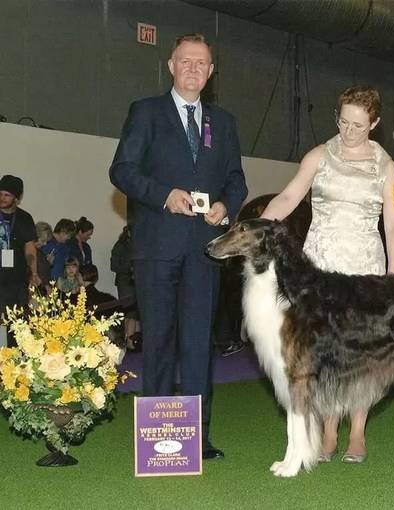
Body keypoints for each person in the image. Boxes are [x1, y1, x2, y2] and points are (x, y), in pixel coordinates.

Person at [109, 33, 247, 461]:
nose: (192, 68)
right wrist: (162, 194)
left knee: (197, 344)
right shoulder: (145, 112)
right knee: (160, 342)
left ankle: (198, 437)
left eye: (201, 63)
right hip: (156, 247)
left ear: (211, 72)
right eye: (185, 61)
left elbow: (236, 179)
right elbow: (122, 171)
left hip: (204, 250)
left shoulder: (223, 123)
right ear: (170, 66)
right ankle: (158, 439)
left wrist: (226, 205)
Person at [261, 85, 394, 464]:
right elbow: (289, 198)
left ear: (374, 122)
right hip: (320, 266)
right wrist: (256, 228)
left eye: (359, 125)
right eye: (343, 122)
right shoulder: (318, 156)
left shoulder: (387, 168)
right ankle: (327, 432)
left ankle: (357, 432)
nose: (349, 131)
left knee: (362, 352)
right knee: (321, 351)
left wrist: (392, 275)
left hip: (364, 269)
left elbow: (393, 223)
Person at [0, 175, 40, 347]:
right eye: (0, 193)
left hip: (16, 281)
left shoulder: (25, 218)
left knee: (16, 324)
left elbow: (30, 248)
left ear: (17, 198)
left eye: (7, 195)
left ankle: (14, 365)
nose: (2, 198)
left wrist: (34, 273)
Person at [110, 225, 141, 351]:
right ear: (128, 233)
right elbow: (114, 266)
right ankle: (128, 341)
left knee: (136, 312)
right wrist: (129, 267)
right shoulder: (120, 246)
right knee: (130, 312)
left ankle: (136, 339)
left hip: (136, 281)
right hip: (125, 282)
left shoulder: (137, 244)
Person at [34, 221, 53, 294]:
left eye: (46, 241)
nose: (45, 244)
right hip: (36, 290)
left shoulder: (39, 251)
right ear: (35, 236)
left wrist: (48, 263)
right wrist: (46, 285)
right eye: (43, 241)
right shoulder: (29, 252)